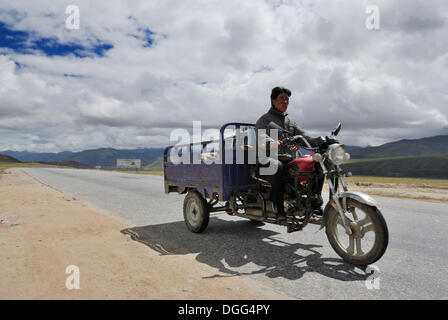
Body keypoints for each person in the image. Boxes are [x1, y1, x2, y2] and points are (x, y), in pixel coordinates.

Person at [255, 86, 323, 220]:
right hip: (266, 160)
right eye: (281, 98)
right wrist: (271, 143)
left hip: (288, 159)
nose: (285, 102)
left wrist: (320, 141)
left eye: (287, 99)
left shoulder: (290, 121)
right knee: (277, 167)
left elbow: (304, 136)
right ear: (273, 100)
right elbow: (261, 137)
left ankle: (314, 202)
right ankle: (278, 208)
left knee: (317, 164)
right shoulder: (264, 120)